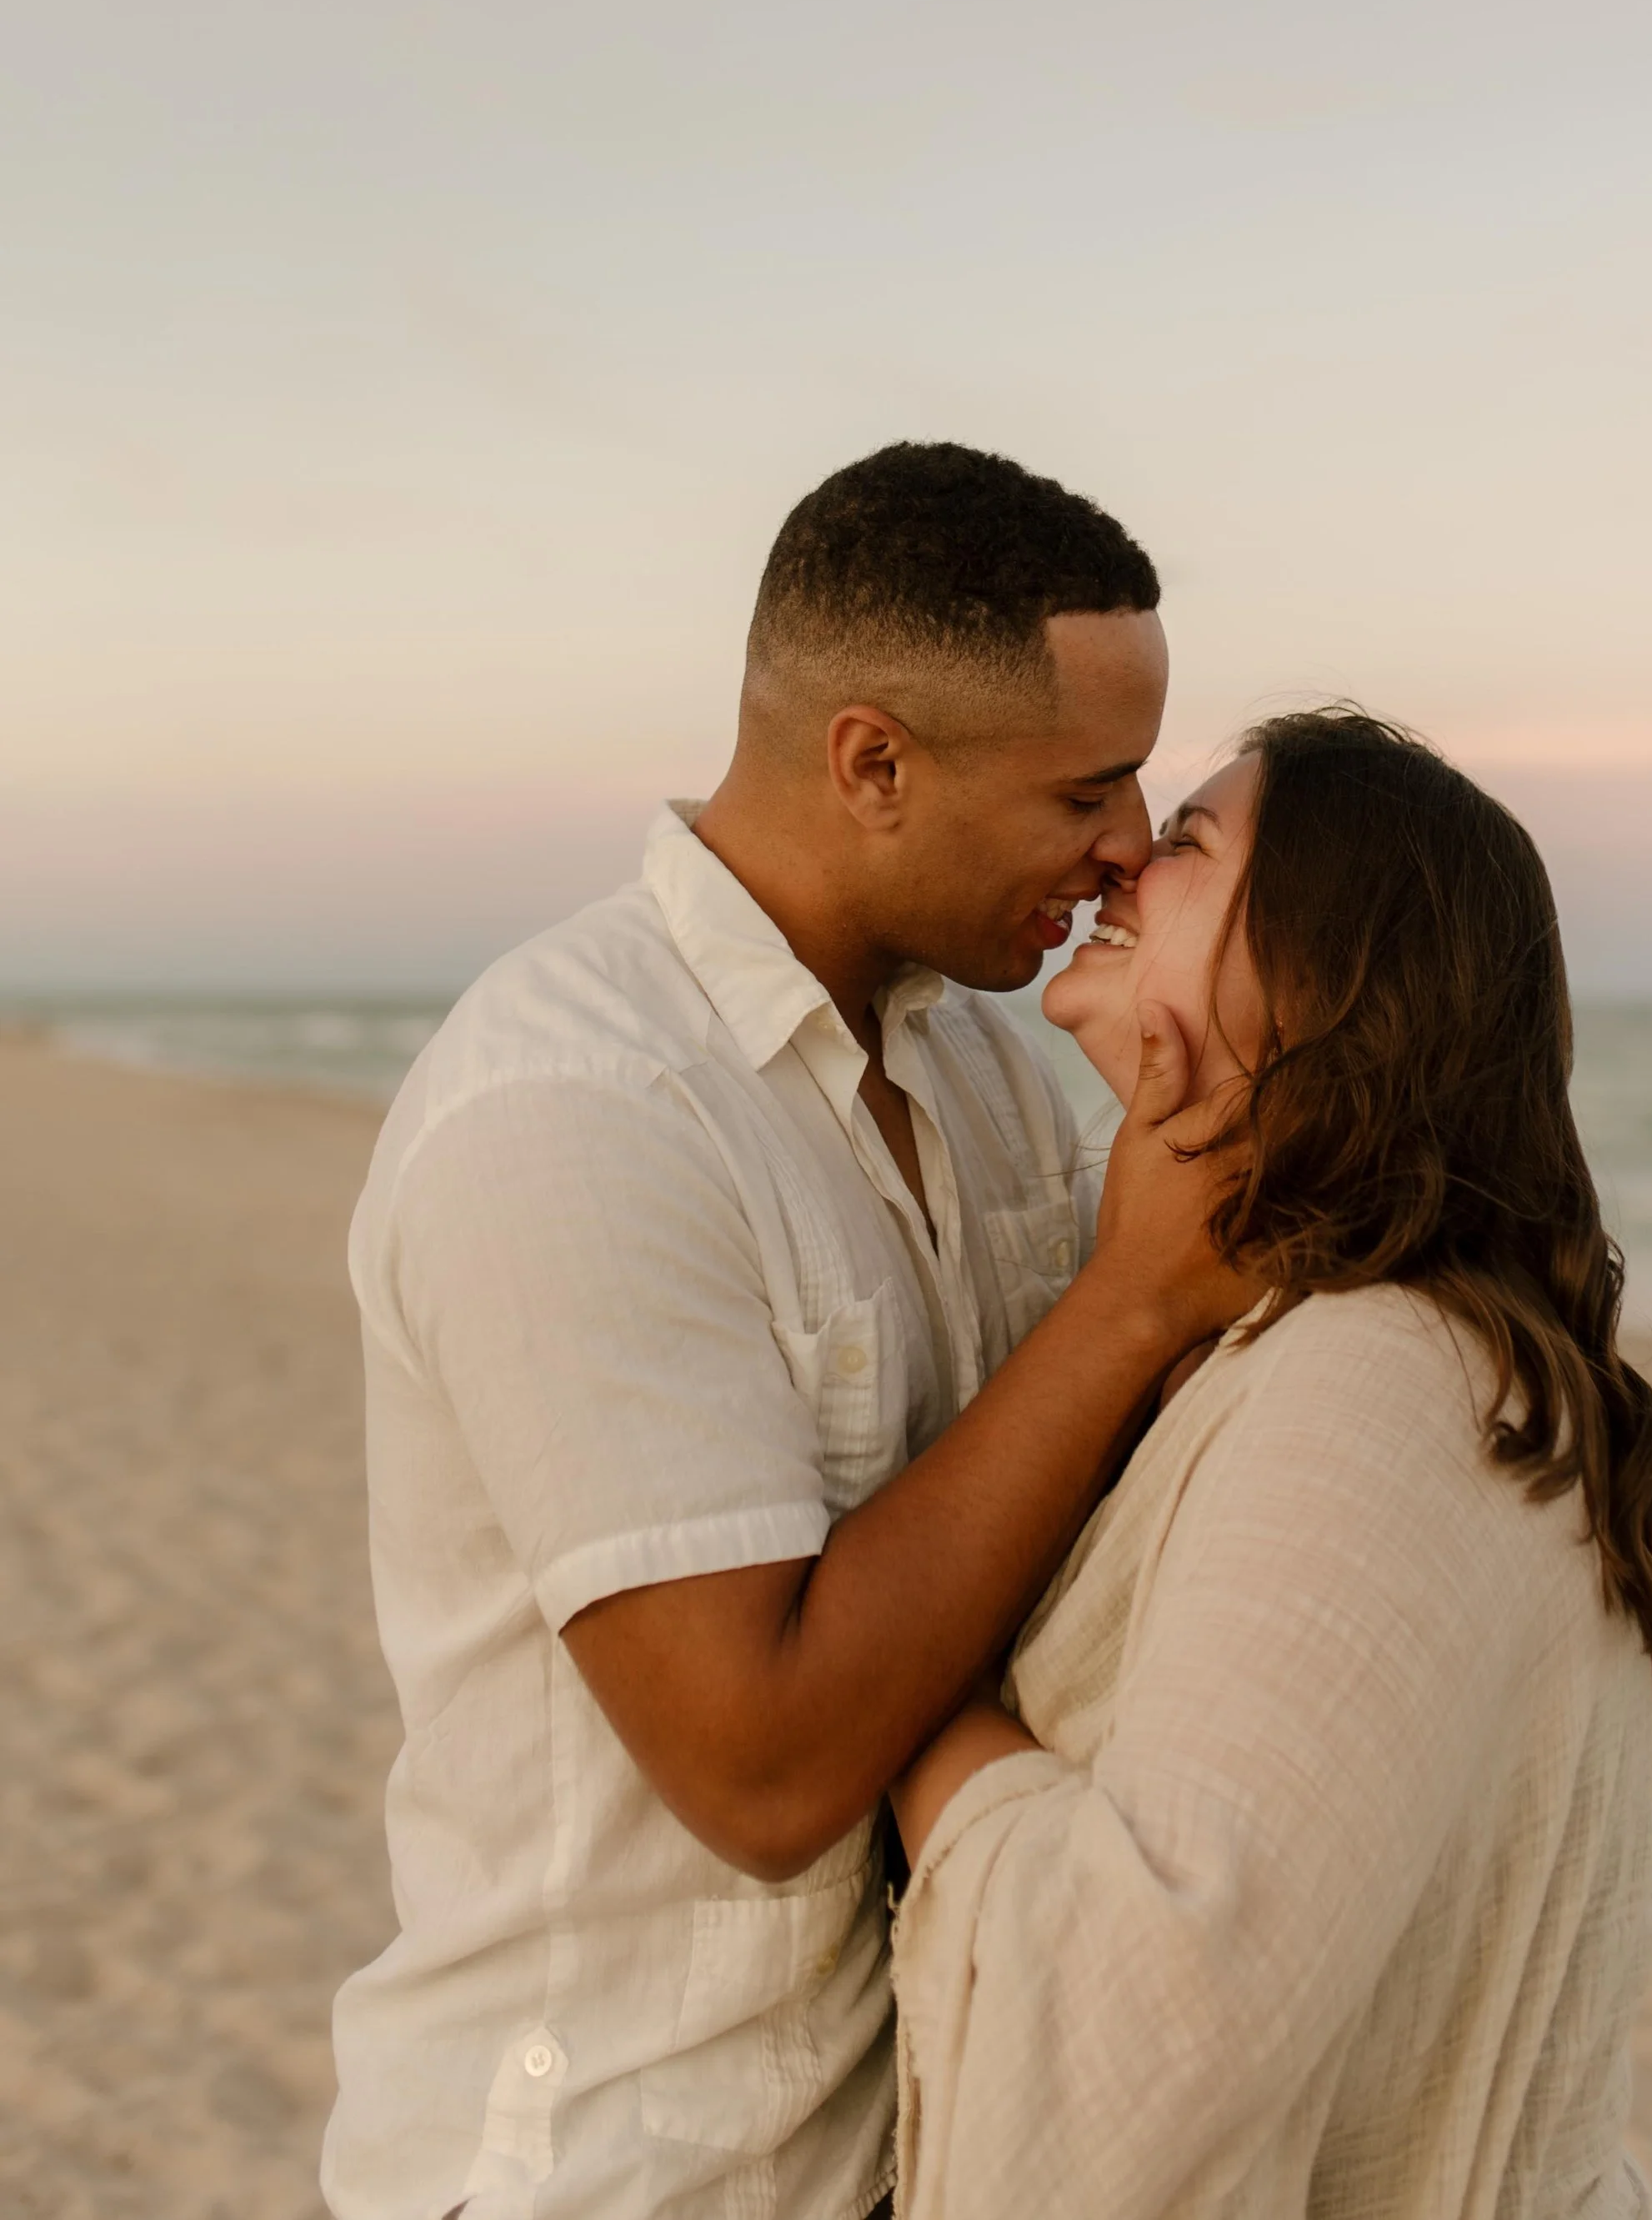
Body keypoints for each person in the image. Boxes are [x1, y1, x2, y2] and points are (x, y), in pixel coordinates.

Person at [322, 443, 1254, 2220]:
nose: (1131, 841)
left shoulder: (977, 1058)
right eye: (1089, 787)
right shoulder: (572, 1112)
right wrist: (1130, 1297)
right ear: (872, 763)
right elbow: (757, 1771)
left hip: (904, 2151)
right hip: (615, 2167)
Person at [889, 709, 1652, 2219]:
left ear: (1323, 974)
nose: (1130, 860)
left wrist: (909, 1705)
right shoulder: (1342, 1349)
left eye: (1194, 843)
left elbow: (1154, 2018)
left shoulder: (1379, 1377)